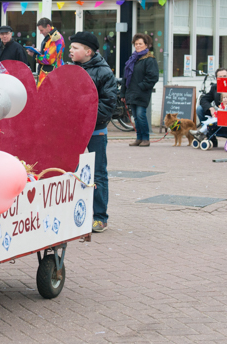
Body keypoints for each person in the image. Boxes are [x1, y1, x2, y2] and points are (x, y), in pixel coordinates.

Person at [68, 32, 116, 234]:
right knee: (72, 171)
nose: (70, 50)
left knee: (98, 173)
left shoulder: (104, 73)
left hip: (96, 130)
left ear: (88, 51)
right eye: (71, 47)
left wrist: (86, 118)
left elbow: (108, 104)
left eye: (75, 47)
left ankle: (99, 216)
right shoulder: (70, 71)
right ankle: (74, 213)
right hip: (74, 132)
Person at [123, 33, 159, 147]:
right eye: (136, 44)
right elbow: (126, 77)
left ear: (146, 45)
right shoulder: (132, 59)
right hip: (131, 92)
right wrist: (123, 93)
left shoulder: (149, 60)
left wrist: (141, 86)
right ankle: (138, 138)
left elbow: (153, 77)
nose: (137, 46)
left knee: (141, 115)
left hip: (142, 92)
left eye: (140, 44)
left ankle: (145, 138)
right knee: (135, 117)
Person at [28, 18, 64, 85]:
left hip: (51, 77)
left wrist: (35, 55)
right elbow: (48, 54)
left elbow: (49, 59)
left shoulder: (55, 38)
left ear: (48, 26)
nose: (40, 33)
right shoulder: (50, 37)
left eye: (41, 30)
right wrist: (38, 52)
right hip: (48, 76)